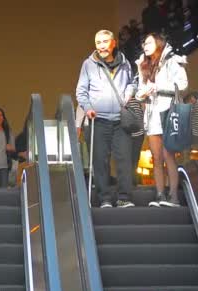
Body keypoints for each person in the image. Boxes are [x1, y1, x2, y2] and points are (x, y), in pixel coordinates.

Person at [76, 29, 135, 208]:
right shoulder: (88, 64)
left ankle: (124, 197)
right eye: (98, 42)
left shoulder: (125, 63)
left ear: (113, 43)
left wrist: (128, 94)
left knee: (124, 160)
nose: (101, 46)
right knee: (100, 162)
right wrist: (87, 109)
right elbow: (81, 91)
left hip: (120, 121)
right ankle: (105, 199)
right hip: (97, 121)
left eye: (105, 42)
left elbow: (132, 82)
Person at [135, 33, 188, 207]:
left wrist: (159, 88)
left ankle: (174, 196)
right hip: (151, 115)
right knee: (156, 158)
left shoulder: (172, 60)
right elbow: (139, 90)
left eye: (149, 42)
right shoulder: (144, 64)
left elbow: (183, 83)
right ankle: (160, 194)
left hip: (168, 111)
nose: (145, 45)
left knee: (168, 155)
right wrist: (143, 92)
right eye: (144, 43)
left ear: (159, 43)